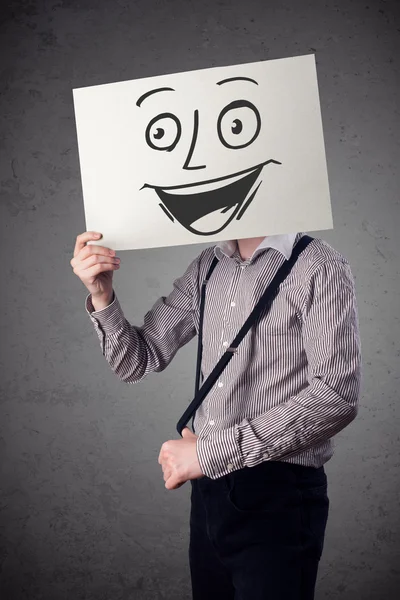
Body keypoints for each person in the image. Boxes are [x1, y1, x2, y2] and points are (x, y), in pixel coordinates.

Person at [70, 229, 362, 600]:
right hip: (209, 492)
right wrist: (101, 294)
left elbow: (336, 396)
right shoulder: (208, 266)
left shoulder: (320, 265)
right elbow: (136, 360)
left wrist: (207, 454)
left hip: (280, 494)